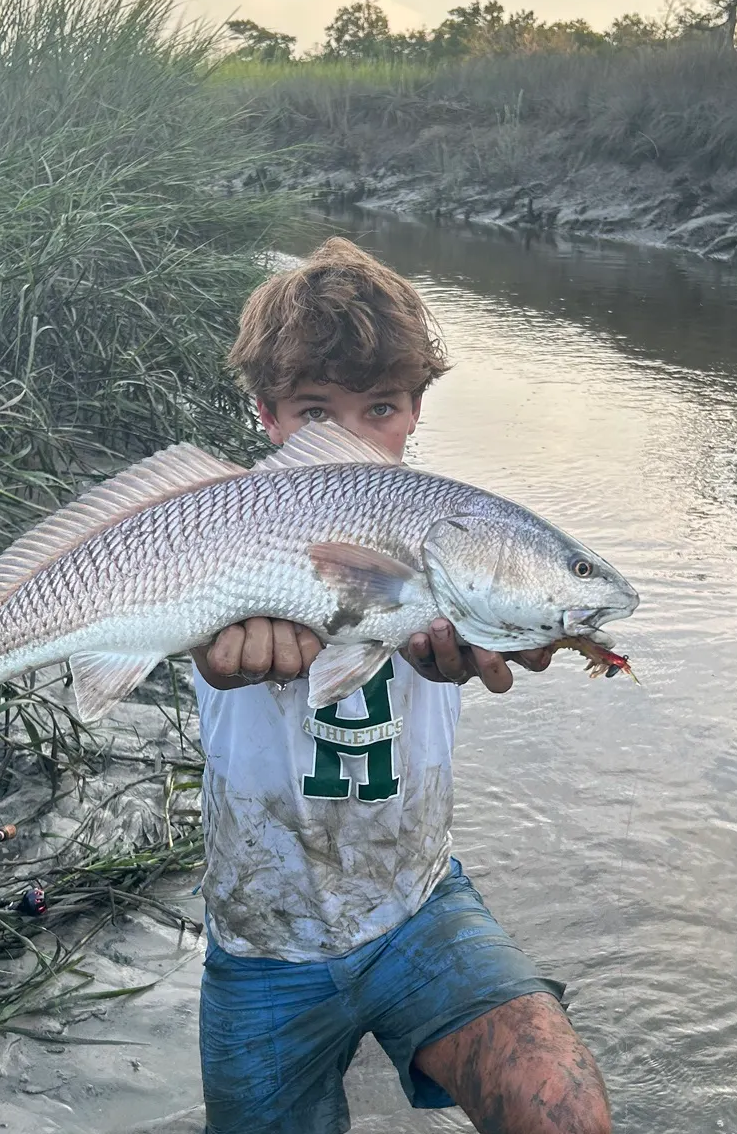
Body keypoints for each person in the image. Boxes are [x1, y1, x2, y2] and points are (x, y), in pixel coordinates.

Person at [189, 236, 613, 1134]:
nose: (350, 436)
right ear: (265, 413)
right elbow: (187, 643)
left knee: (563, 1109)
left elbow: (524, 624)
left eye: (378, 406)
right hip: (262, 943)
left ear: (416, 409)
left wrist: (542, 638)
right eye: (314, 411)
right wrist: (208, 653)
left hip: (418, 909)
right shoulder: (223, 521)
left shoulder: (454, 531)